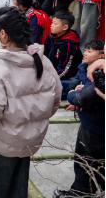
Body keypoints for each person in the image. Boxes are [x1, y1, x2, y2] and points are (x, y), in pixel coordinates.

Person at [0, 6, 62, 198]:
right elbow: (55, 100)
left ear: (3, 34)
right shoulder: (42, 61)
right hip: (29, 142)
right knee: (18, 188)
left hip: (2, 143)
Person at [55, 43, 106, 196]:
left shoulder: (101, 70)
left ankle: (80, 193)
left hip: (95, 127)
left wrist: (73, 95)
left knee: (86, 163)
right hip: (95, 122)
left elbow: (81, 98)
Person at [43, 10, 82, 94]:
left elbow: (65, 70)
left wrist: (50, 78)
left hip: (65, 78)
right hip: (50, 74)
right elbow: (43, 56)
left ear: (65, 27)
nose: (51, 26)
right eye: (52, 22)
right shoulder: (50, 37)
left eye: (55, 24)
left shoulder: (69, 44)